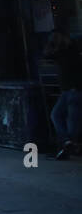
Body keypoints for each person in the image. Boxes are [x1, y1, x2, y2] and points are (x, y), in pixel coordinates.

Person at [44, 29, 81, 160]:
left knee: (71, 121)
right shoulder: (64, 50)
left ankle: (69, 145)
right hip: (68, 91)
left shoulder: (70, 50)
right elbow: (47, 55)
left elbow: (47, 54)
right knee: (56, 115)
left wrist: (53, 43)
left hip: (74, 91)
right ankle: (67, 143)